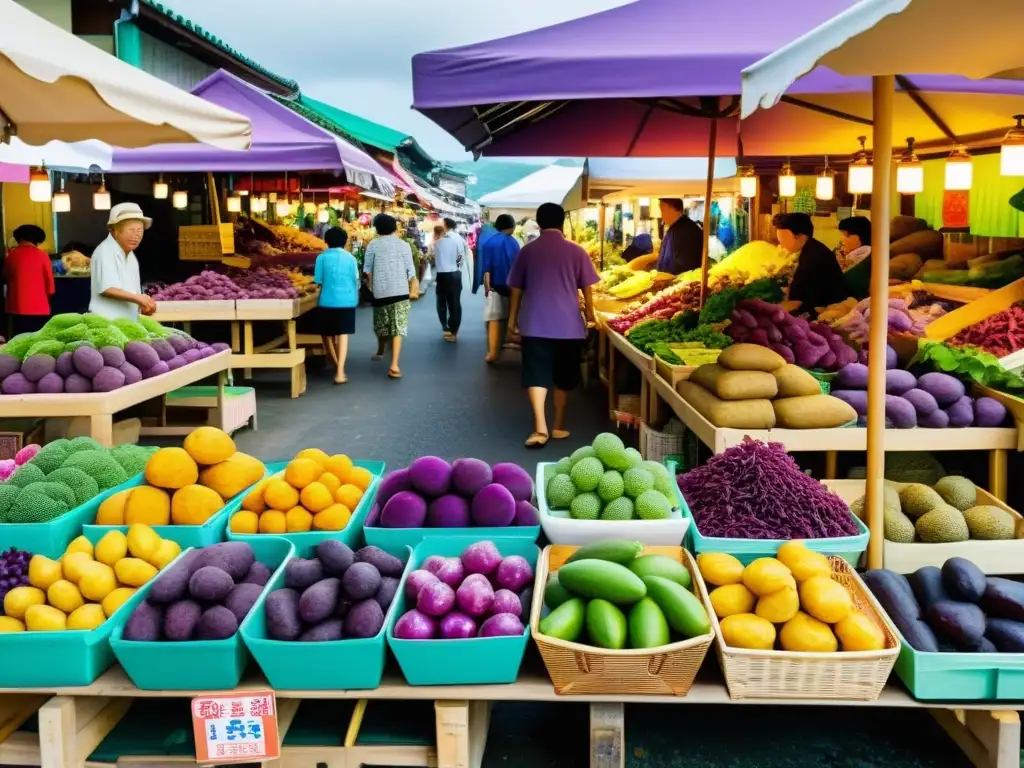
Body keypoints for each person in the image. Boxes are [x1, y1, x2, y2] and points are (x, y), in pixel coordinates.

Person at [508, 202, 598, 448]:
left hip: (534, 322)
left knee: (536, 373)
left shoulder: (527, 251)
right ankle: (558, 425)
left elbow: (516, 288)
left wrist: (511, 320)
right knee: (563, 376)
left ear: (539, 222)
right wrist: (590, 316)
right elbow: (587, 289)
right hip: (568, 325)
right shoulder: (577, 251)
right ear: (562, 222)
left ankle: (540, 428)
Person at [363, 214, 417, 379]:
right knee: (398, 327)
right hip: (401, 291)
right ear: (395, 228)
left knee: (381, 324)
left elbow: (367, 270)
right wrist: (413, 287)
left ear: (377, 229)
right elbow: (411, 271)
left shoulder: (373, 244)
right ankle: (394, 365)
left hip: (380, 292)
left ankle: (380, 349)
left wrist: (371, 285)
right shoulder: (404, 245)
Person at [90, 203, 156, 320]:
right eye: (131, 230)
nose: (137, 235)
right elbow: (108, 288)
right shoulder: (105, 251)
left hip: (128, 320)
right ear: (115, 231)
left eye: (140, 231)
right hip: (108, 321)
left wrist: (141, 303)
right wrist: (138, 298)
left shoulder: (131, 256)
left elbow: (132, 291)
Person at [774, 212, 848, 317]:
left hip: (826, 313)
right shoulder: (813, 248)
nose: (781, 244)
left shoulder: (813, 256)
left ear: (800, 236)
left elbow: (796, 302)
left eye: (784, 239)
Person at [314, 227, 359, 384]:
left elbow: (318, 281)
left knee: (326, 334)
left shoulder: (321, 258)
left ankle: (334, 362)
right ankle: (340, 372)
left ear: (326, 241)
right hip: (347, 300)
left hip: (327, 300)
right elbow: (356, 279)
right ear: (345, 242)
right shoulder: (351, 258)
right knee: (342, 334)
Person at [480, 214, 520, 364]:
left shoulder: (489, 243)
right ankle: (506, 343)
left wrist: (487, 289)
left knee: (494, 319)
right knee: (510, 317)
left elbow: (487, 271)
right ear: (510, 226)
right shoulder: (515, 243)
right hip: (513, 287)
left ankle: (492, 353)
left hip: (496, 286)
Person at [5, 224, 55, 336]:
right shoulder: (42, 255)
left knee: (19, 339)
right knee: (37, 338)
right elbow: (49, 281)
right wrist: (50, 295)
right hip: (39, 306)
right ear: (37, 240)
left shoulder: (11, 256)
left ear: (18, 239)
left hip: (16, 306)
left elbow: (6, 277)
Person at [433, 218, 466, 341]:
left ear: (445, 225)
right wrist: (457, 265)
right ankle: (454, 330)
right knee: (454, 303)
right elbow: (461, 257)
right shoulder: (458, 239)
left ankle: (445, 326)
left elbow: (434, 256)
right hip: (454, 273)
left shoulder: (439, 240)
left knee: (441, 301)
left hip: (442, 274)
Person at [656, 198, 703, 274]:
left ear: (669, 207)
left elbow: (685, 266)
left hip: (680, 283)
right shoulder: (675, 229)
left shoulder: (687, 231)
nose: (661, 215)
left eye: (662, 210)